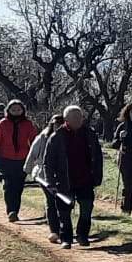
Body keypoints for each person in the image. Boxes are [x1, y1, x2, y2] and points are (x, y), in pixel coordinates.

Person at [42, 106, 104, 248]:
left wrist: (97, 176)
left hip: (85, 179)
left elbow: (98, 157)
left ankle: (82, 235)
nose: (78, 120)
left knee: (87, 209)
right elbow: (48, 162)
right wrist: (50, 181)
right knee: (64, 212)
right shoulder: (57, 137)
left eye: (80, 117)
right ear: (66, 120)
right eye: (74, 117)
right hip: (64, 181)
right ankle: (66, 239)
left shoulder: (90, 134)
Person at [0, 100, 38, 222]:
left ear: (23, 110)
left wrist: (36, 157)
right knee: (8, 185)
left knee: (18, 186)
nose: (16, 111)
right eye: (13, 109)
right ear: (8, 110)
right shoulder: (3, 123)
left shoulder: (28, 124)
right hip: (5, 158)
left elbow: (34, 141)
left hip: (22, 159)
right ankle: (10, 210)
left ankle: (15, 210)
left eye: (18, 109)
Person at [27, 114, 64, 242]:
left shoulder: (69, 137)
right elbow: (33, 152)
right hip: (43, 175)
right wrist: (27, 168)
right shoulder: (43, 136)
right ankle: (54, 230)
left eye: (61, 124)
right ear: (51, 124)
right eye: (56, 124)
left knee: (62, 202)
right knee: (51, 201)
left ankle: (64, 228)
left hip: (63, 175)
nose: (58, 127)